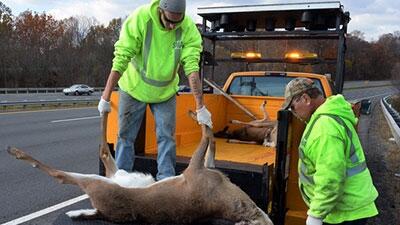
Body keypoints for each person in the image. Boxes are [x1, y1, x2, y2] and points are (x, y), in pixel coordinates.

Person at [97, 0, 212, 181]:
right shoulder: (140, 19)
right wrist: (106, 96)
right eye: (169, 21)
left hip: (165, 92)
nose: (172, 26)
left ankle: (165, 180)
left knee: (166, 137)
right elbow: (121, 58)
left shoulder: (188, 28)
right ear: (160, 11)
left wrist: (200, 106)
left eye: (177, 22)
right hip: (134, 87)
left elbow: (191, 68)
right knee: (125, 137)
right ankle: (120, 180)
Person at [282, 78, 379, 225]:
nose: (293, 112)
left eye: (292, 106)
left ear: (306, 99)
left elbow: (330, 177)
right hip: (347, 206)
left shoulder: (324, 128)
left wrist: (316, 215)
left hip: (346, 212)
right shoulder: (329, 115)